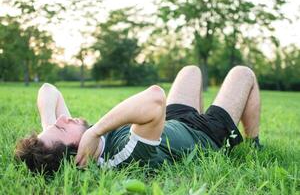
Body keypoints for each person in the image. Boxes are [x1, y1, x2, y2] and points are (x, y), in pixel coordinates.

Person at [15, 65, 262, 174]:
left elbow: (48, 89)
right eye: (61, 127)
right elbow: (155, 98)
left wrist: (48, 128)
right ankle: (255, 144)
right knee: (243, 73)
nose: (63, 118)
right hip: (205, 135)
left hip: (171, 122)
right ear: (78, 155)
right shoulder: (122, 154)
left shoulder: (81, 142)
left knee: (190, 71)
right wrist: (94, 131)